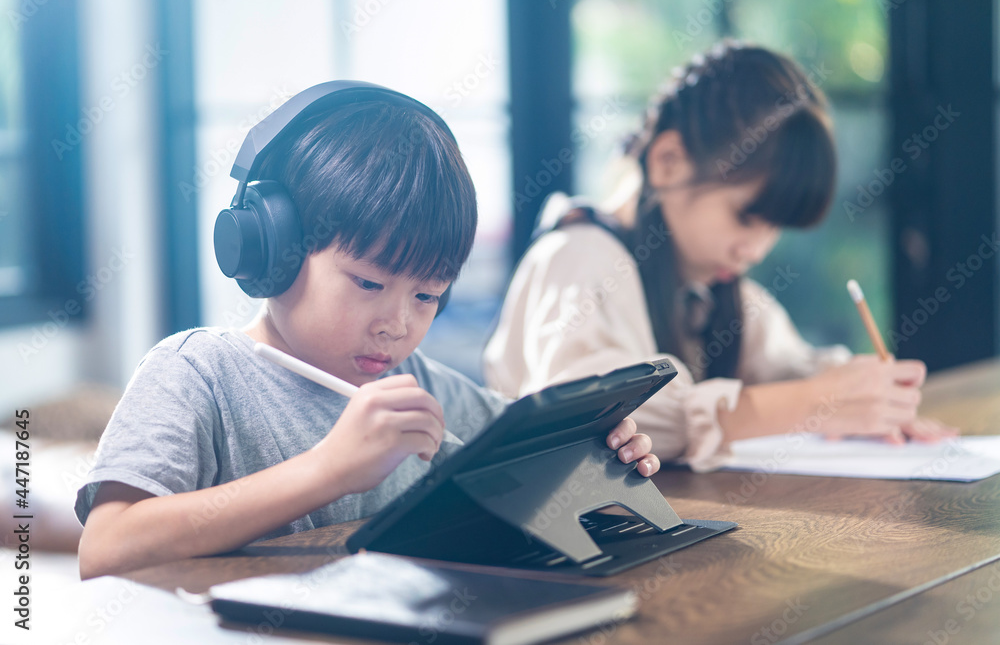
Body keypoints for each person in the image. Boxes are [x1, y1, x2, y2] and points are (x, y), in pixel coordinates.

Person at [75, 84, 660, 579]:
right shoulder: (198, 373)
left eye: (428, 296)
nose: (398, 325)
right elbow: (106, 548)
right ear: (270, 248)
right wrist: (328, 469)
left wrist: (591, 444)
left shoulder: (413, 380)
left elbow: (514, 441)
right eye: (368, 284)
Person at [483, 42, 957, 473]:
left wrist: (861, 397)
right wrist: (813, 401)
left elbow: (790, 364)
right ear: (668, 161)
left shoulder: (714, 288)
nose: (755, 249)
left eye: (775, 227)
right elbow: (584, 417)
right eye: (746, 217)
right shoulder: (579, 256)